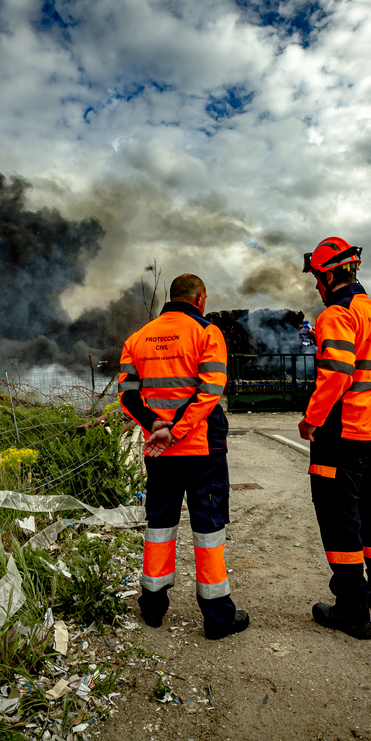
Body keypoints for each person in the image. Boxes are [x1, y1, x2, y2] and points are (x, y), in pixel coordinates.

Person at [118, 273, 250, 641]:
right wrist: (177, 429)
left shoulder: (137, 339)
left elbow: (127, 396)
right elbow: (209, 392)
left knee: (159, 525)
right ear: (200, 298)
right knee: (208, 529)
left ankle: (153, 608)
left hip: (159, 451)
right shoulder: (207, 334)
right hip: (201, 450)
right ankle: (218, 617)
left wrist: (154, 425)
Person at [297, 237, 371, 641]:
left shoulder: (337, 315)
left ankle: (353, 609)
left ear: (327, 275)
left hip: (343, 435)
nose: (316, 289)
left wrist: (311, 420)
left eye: (317, 280)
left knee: (341, 518)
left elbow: (337, 374)